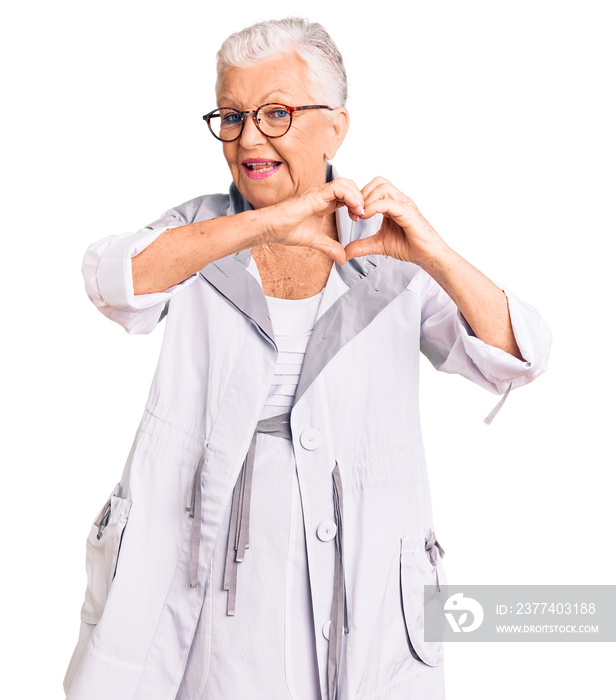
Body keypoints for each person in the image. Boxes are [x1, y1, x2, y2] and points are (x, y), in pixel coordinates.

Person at [63, 17, 551, 700]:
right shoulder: (199, 235)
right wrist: (269, 220)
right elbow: (114, 278)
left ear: (336, 128)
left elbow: (517, 355)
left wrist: (433, 251)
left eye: (275, 114)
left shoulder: (390, 255)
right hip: (213, 588)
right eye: (231, 117)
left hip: (358, 586)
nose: (248, 139)